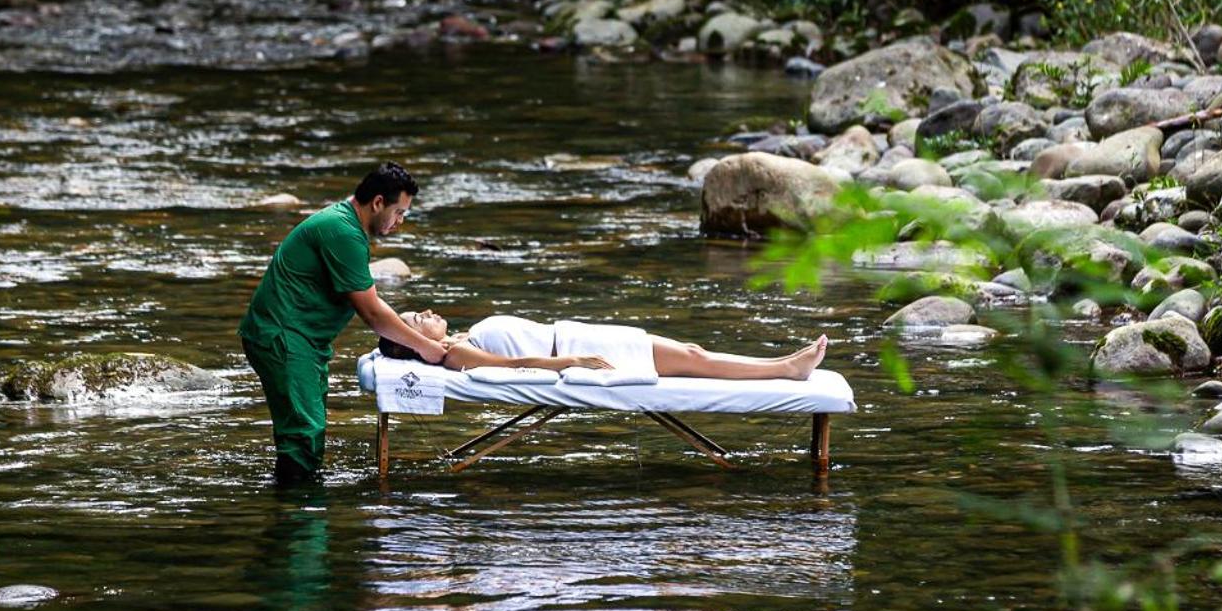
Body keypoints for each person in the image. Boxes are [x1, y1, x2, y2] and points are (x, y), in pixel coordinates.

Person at [240, 163, 449, 484]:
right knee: (303, 434)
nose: (400, 222)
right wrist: (427, 348)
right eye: (399, 212)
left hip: (302, 339)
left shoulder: (346, 224)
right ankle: (299, 519)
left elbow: (373, 301)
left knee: (307, 430)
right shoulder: (343, 232)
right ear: (378, 202)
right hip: (285, 337)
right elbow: (373, 314)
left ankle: (300, 505)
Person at [378, 310, 829, 380]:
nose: (428, 313)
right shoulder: (457, 354)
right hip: (574, 346)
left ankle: (785, 363)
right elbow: (509, 364)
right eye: (419, 320)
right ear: (419, 343)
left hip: (576, 334)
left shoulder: (460, 337)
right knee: (691, 358)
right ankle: (785, 369)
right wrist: (567, 362)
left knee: (690, 352)